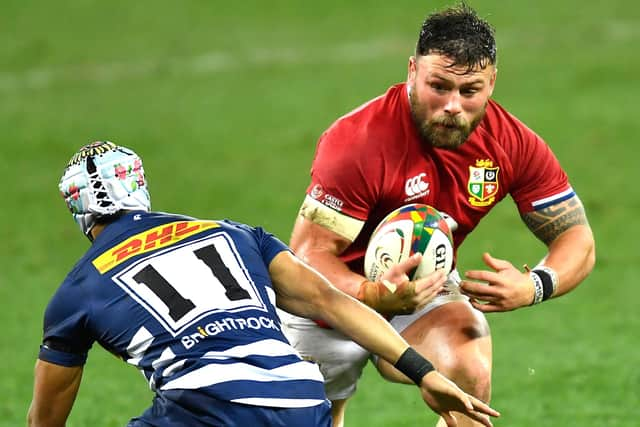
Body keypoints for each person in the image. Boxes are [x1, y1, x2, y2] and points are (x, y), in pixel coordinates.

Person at [27, 141, 500, 427]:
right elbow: (331, 302)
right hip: (301, 399)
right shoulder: (234, 232)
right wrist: (426, 372)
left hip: (207, 407)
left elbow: (46, 420)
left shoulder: (77, 290)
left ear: (79, 212)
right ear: (142, 190)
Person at [282, 3, 596, 427]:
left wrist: (534, 286)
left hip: (423, 289)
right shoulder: (358, 141)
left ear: (492, 83)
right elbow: (309, 255)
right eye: (439, 86)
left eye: (469, 92)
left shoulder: (511, 143)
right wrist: (373, 294)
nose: (453, 105)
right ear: (412, 71)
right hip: (327, 302)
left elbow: (577, 239)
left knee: (469, 365)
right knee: (311, 420)